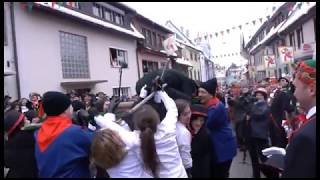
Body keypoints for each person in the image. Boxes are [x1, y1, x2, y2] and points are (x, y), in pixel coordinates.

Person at [94, 88, 188, 178]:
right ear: (157, 118)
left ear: (136, 124)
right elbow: (172, 108)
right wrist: (161, 92)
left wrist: (98, 116)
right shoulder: (168, 129)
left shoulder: (133, 140)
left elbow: (114, 128)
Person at [262, 59, 316, 178]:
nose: (294, 93)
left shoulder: (307, 135)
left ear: (311, 89)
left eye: (295, 87)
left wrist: (288, 163)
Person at [34, 91, 94, 178]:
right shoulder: (73, 132)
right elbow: (99, 142)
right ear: (65, 110)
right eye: (71, 106)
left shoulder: (38, 132)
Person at [198, 78, 237, 178]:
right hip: (220, 147)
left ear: (211, 94)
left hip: (222, 148)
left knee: (220, 175)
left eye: (203, 92)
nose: (199, 95)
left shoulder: (215, 108)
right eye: (199, 92)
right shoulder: (210, 104)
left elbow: (203, 125)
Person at [4, 110, 38, 178]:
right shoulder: (32, 139)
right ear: (21, 126)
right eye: (26, 120)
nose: (28, 121)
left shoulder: (8, 145)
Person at [246, 88, 271, 178]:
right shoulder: (255, 104)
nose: (258, 96)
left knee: (264, 158)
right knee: (254, 158)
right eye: (257, 95)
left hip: (260, 135)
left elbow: (258, 114)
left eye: (260, 95)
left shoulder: (265, 106)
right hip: (252, 134)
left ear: (264, 96)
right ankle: (255, 175)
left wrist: (250, 107)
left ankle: (271, 174)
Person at [269, 76, 295, 148]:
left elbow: (288, 108)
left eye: (283, 80)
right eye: (280, 81)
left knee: (283, 140)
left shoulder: (288, 92)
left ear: (287, 82)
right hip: (277, 118)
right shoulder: (277, 92)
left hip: (284, 119)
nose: (281, 82)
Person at [189, 104, 212, 178]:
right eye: (196, 119)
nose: (198, 123)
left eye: (201, 120)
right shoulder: (190, 130)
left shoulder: (205, 135)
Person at [175, 99, 193, 177]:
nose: (189, 116)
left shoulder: (172, 126)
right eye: (185, 114)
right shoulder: (183, 133)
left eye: (189, 112)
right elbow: (185, 156)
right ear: (178, 116)